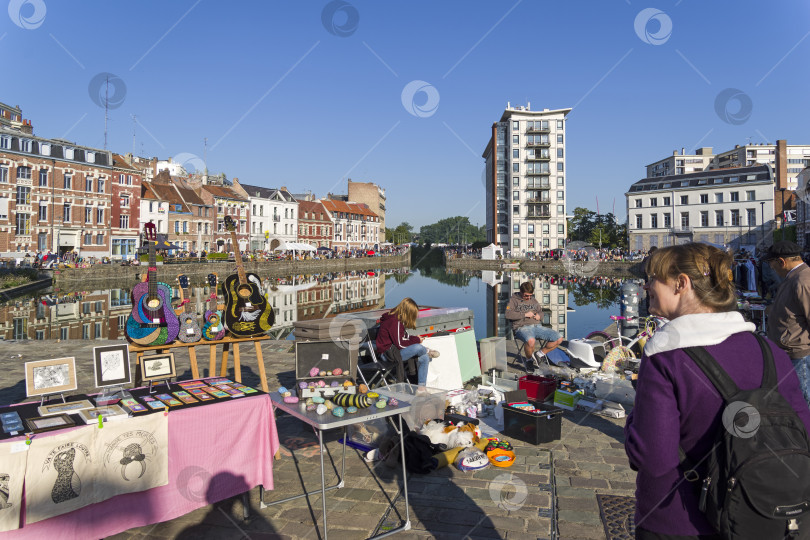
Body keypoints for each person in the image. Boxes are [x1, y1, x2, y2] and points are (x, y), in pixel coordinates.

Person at [625, 243, 810, 539]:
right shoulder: (769, 351)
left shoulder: (665, 355)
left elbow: (652, 459)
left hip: (678, 520)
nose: (646, 285)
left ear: (681, 283)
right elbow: (802, 432)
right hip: (755, 518)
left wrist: (633, 420)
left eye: (652, 277)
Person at [764, 240, 810, 407]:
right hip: (792, 352)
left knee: (804, 401)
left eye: (772, 264)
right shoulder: (795, 277)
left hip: (799, 354)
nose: (772, 268)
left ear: (781, 261)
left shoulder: (803, 279)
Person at [376, 298, 439, 387]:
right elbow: (400, 344)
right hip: (388, 355)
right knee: (418, 347)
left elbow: (404, 336)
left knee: (424, 358)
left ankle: (421, 389)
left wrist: (416, 338)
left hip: (395, 352)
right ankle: (427, 351)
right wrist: (417, 341)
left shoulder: (397, 319)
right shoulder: (395, 321)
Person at [505, 282, 564, 363]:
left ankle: (539, 354)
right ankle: (529, 361)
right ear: (521, 292)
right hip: (521, 327)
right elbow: (508, 314)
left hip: (537, 326)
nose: (528, 297)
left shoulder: (533, 300)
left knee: (559, 338)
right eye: (526, 295)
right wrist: (525, 314)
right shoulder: (513, 300)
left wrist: (539, 316)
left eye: (530, 295)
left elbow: (541, 312)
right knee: (531, 341)